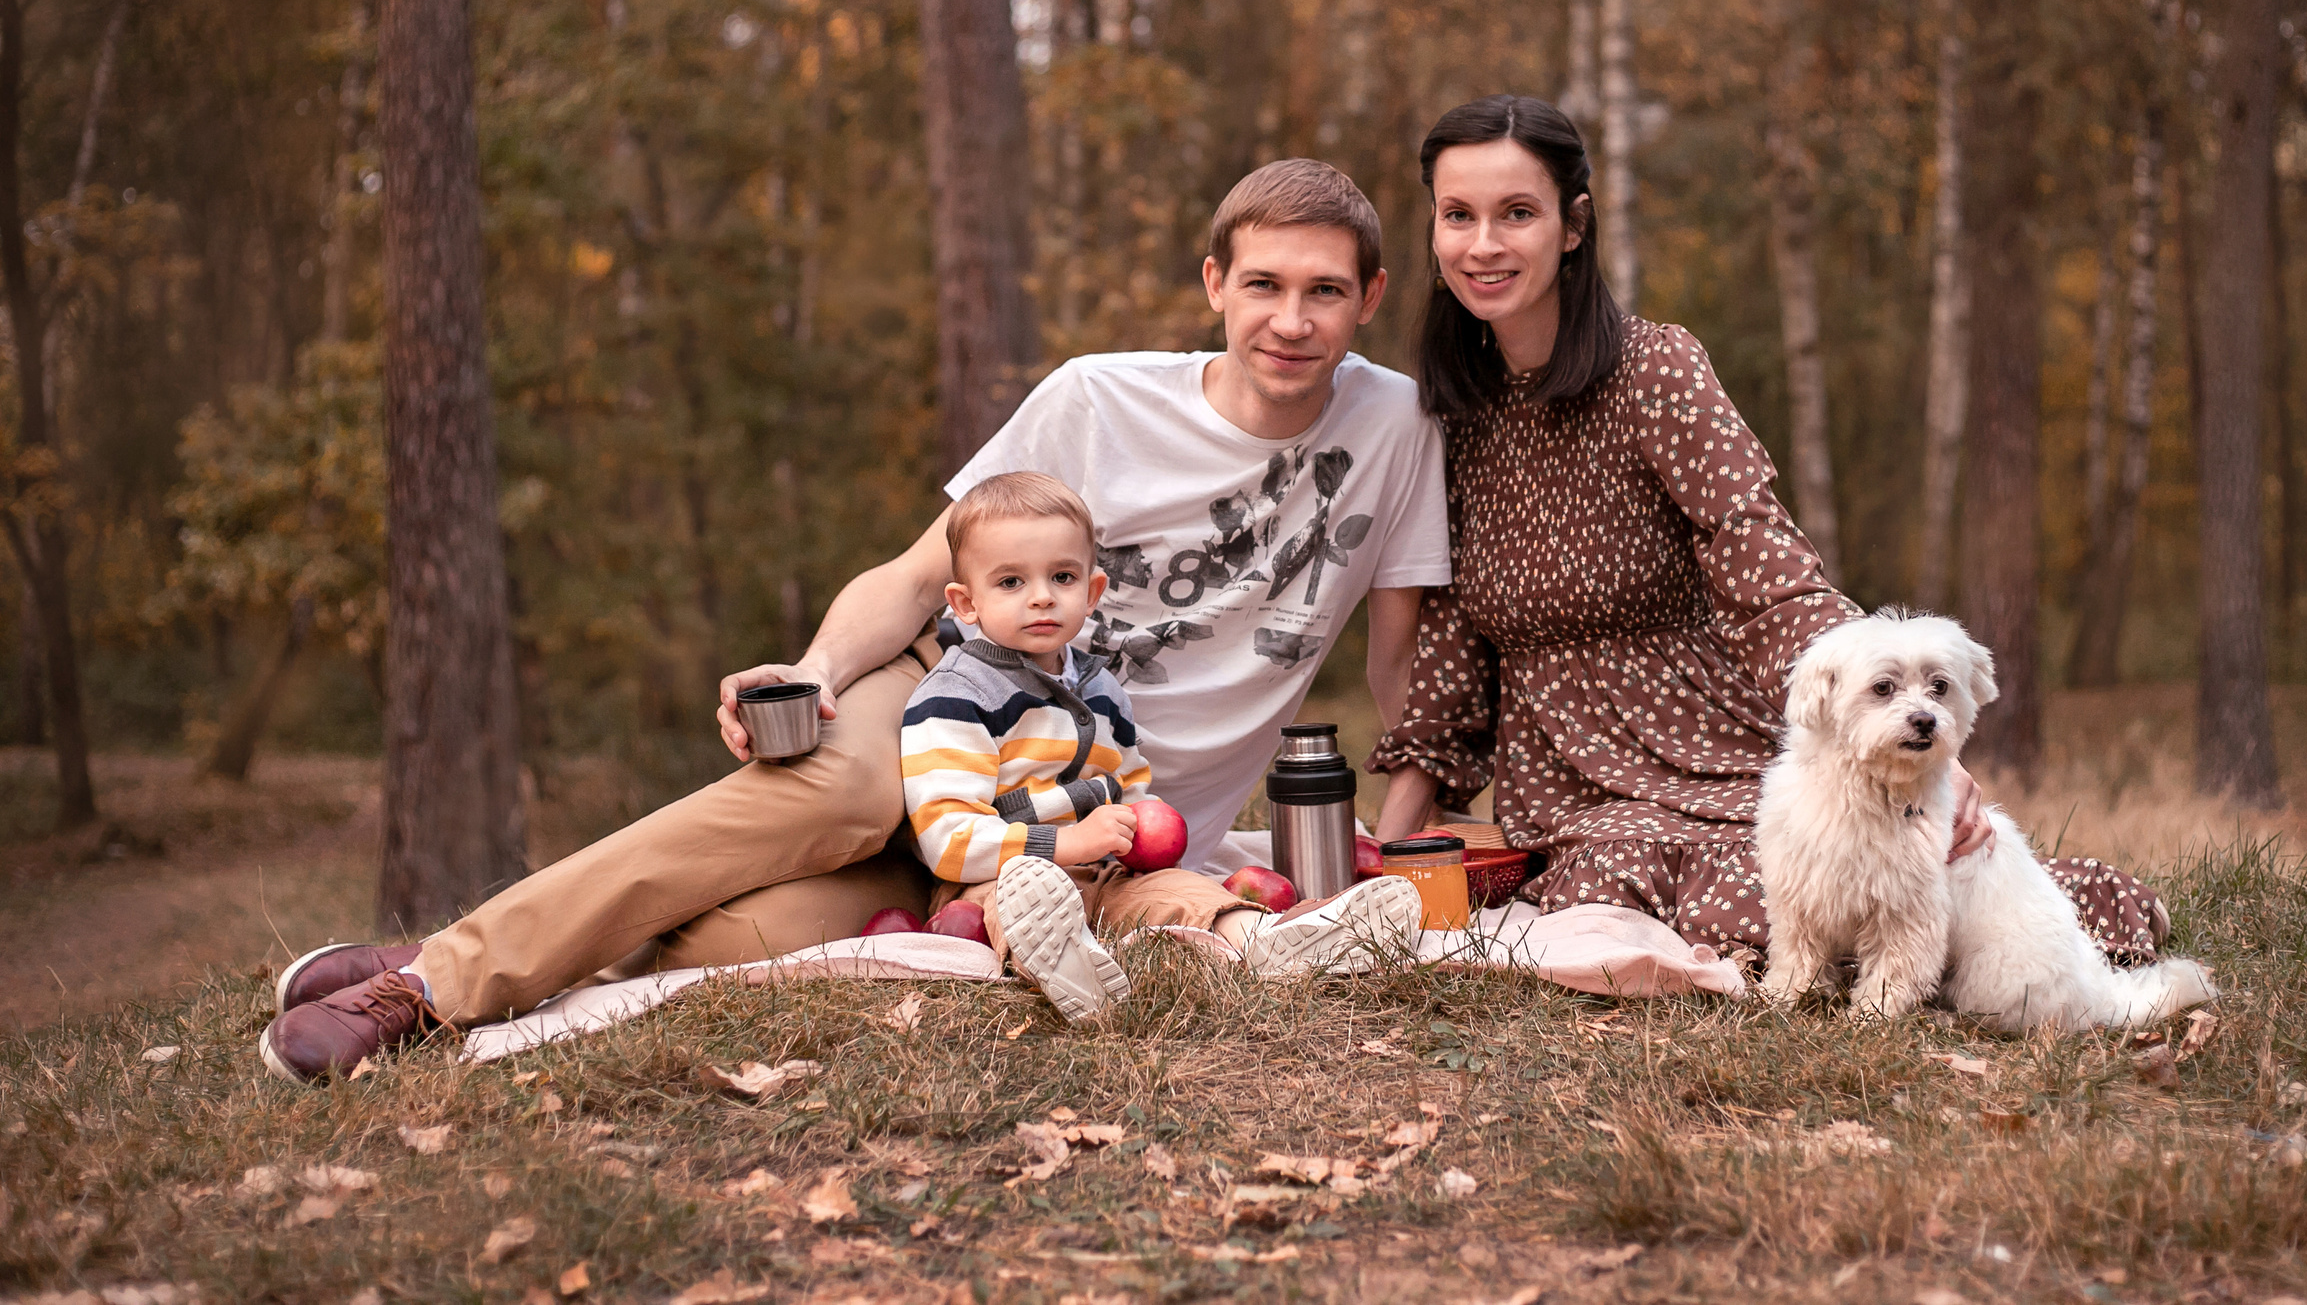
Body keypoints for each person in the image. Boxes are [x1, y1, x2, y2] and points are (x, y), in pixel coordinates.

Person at [259, 158, 1451, 1082]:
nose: (1290, 320)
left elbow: (1399, 659)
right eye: (1263, 285)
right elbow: (909, 572)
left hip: (1085, 821)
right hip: (956, 704)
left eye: (1323, 291)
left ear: (1370, 298)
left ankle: (466, 946)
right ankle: (428, 992)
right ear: (1213, 285)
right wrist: (819, 671)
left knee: (720, 948)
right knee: (832, 791)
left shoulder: (1396, 430)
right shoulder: (1096, 398)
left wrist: (1408, 829)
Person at [1367, 95, 2168, 963]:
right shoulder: (1451, 419)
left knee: (1793, 893)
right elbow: (1450, 664)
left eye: (1516, 213)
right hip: (1569, 801)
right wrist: (1376, 859)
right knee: (1601, 898)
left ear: (1572, 226)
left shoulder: (1657, 370)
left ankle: (2025, 921)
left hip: (1721, 750)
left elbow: (1769, 572)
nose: (1483, 244)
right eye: (1459, 216)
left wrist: (1912, 722)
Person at [905, 471, 1422, 1023]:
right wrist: (1069, 843)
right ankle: (1067, 965)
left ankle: (1273, 940)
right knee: (1018, 904)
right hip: (998, 878)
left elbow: (1129, 785)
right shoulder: (955, 697)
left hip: (1105, 875)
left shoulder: (1099, 688)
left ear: (1092, 591)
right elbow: (947, 839)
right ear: (965, 603)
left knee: (1184, 891)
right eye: (1010, 582)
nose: (1040, 597)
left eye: (1061, 577)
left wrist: (1134, 831)